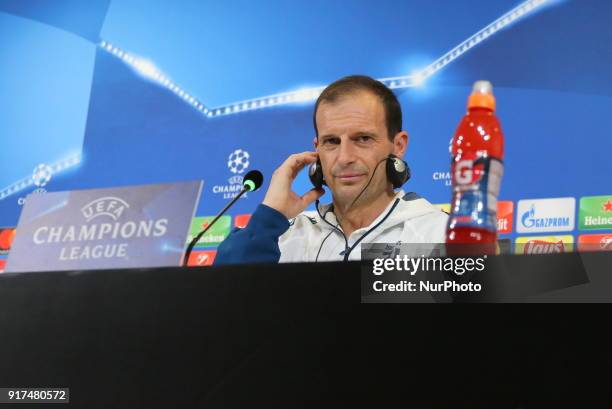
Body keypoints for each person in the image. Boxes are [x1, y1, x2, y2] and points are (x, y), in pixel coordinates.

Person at [214, 75, 448, 264]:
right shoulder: (280, 238)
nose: (344, 157)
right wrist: (270, 216)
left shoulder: (440, 236)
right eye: (332, 142)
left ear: (398, 146)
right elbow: (224, 303)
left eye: (363, 138)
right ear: (317, 150)